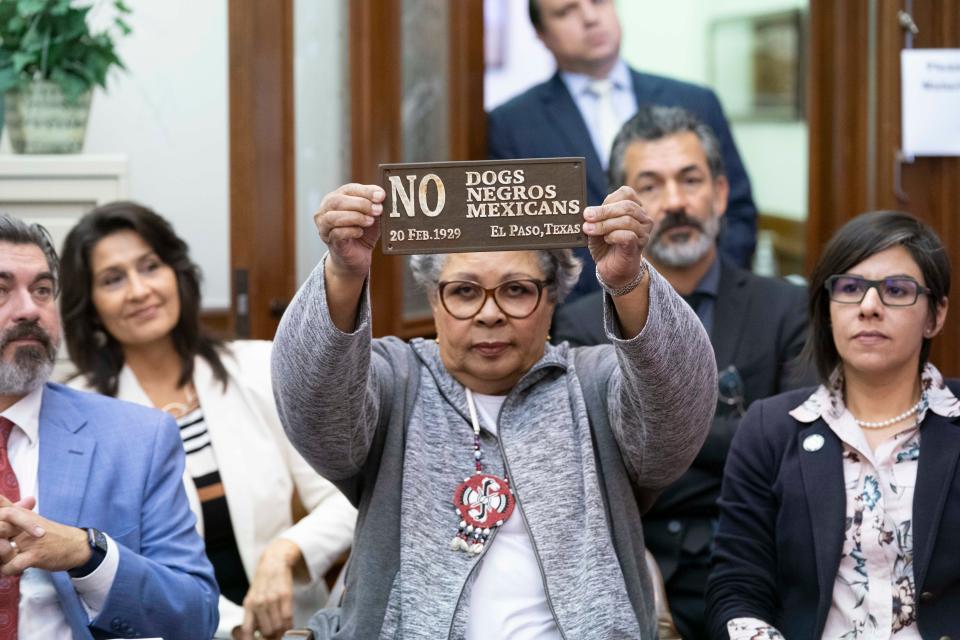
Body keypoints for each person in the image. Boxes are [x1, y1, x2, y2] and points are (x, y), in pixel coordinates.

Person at [270, 181, 717, 638]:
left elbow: (677, 418)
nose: (489, 314)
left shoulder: (594, 383)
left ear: (552, 297)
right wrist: (344, 274)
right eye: (464, 292)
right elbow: (317, 416)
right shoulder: (395, 380)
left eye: (516, 290)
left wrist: (628, 282)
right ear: (433, 299)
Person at [552, 105, 807, 639]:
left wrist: (653, 447)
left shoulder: (787, 310)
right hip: (626, 567)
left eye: (690, 180)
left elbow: (794, 449)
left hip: (761, 561)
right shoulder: (578, 327)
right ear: (618, 205)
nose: (674, 201)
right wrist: (740, 431)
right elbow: (595, 464)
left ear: (718, 193)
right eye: (650, 184)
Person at [58, 202, 357, 640]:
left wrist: (285, 553)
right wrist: (234, 627)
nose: (139, 290)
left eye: (150, 266)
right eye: (113, 279)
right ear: (91, 304)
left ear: (177, 273)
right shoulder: (80, 412)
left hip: (294, 629)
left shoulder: (259, 367)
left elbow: (344, 502)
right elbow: (118, 560)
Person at [706, 211, 959, 638]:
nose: (869, 307)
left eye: (896, 290)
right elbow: (737, 587)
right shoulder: (770, 431)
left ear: (935, 314)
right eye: (849, 288)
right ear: (826, 309)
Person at [0, 214, 218, 638]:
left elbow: (196, 617)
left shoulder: (139, 439)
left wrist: (88, 554)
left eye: (42, 290)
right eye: (0, 290)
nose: (29, 309)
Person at [488, 0, 757, 300]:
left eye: (598, 2)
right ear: (541, 34)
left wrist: (707, 290)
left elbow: (738, 210)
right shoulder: (512, 123)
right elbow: (520, 244)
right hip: (583, 322)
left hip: (705, 304)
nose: (590, 18)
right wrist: (593, 313)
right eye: (567, 11)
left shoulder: (696, 101)